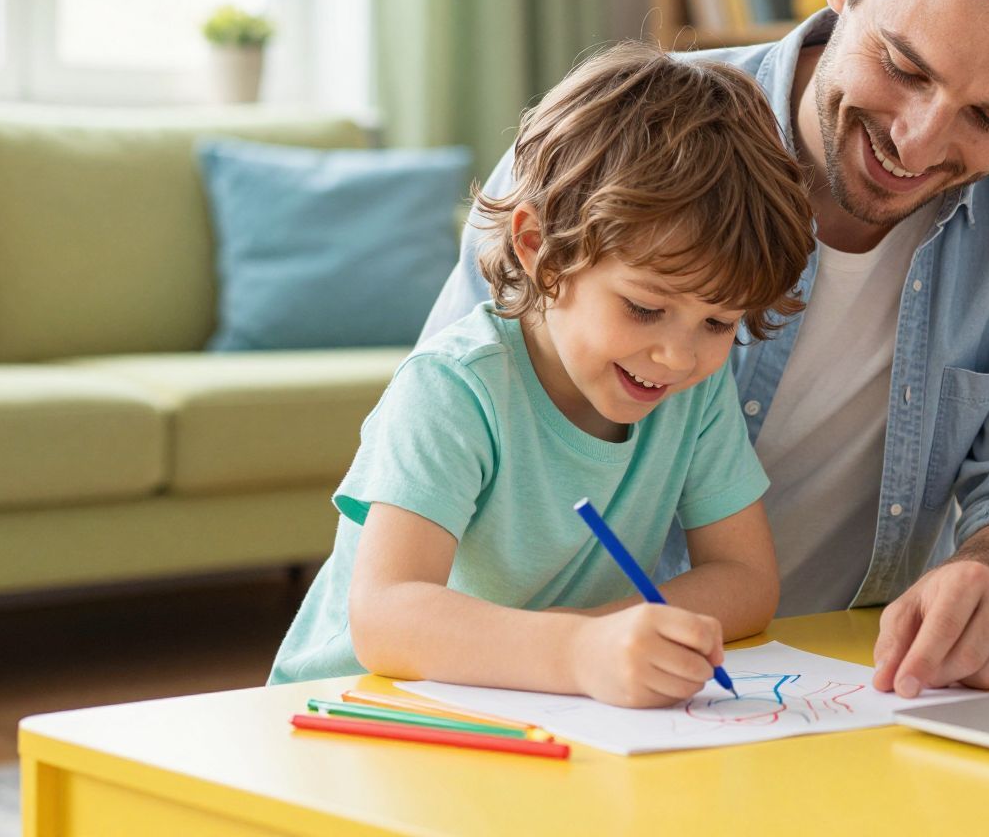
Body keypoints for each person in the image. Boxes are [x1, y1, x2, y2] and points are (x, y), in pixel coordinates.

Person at [423, 0, 989, 698]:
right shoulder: (609, 155)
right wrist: (567, 653)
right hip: (530, 687)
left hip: (823, 696)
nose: (919, 143)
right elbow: (445, 430)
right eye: (905, 67)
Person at [271, 44, 814, 708]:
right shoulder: (455, 388)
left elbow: (746, 581)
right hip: (352, 713)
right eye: (645, 308)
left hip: (532, 707)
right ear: (538, 250)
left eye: (718, 322)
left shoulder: (693, 393)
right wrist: (576, 652)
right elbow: (386, 616)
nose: (678, 356)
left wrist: (597, 647)